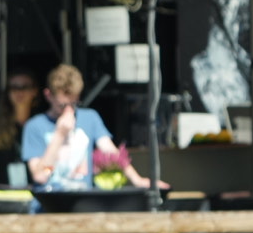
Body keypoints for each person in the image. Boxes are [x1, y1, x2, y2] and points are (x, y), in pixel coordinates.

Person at [21, 64, 161, 191]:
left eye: (74, 104)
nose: (69, 110)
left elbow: (111, 152)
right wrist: (59, 135)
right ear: (48, 95)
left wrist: (137, 180)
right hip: (49, 204)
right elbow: (40, 176)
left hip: (82, 201)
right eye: (62, 105)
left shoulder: (90, 118)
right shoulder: (35, 126)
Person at [0, 69, 38, 190]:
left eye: (24, 87)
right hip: (3, 191)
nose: (19, 92)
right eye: (14, 87)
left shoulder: (40, 123)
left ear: (34, 91)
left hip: (35, 192)